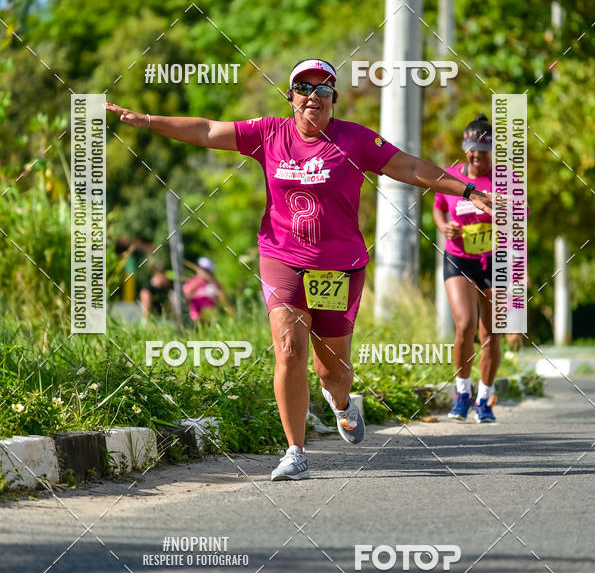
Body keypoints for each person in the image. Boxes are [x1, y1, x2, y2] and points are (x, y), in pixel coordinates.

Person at [107, 59, 493, 480]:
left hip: (339, 267)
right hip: (282, 258)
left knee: (333, 371)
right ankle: (294, 452)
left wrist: (468, 190)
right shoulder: (268, 133)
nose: (314, 96)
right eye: (304, 88)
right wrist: (146, 120)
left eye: (324, 89)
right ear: (290, 97)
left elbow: (411, 167)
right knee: (290, 349)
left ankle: (342, 404)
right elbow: (206, 130)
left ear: (334, 100)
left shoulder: (356, 139)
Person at [433, 114, 500, 423]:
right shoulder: (451, 176)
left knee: (491, 333)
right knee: (465, 325)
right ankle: (462, 393)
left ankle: (484, 399)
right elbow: (439, 208)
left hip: (493, 260)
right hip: (458, 257)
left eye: (483, 150)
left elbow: (521, 215)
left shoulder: (504, 179)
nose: (476, 155)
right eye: (471, 148)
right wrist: (445, 227)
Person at [184, 256, 225, 321]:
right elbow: (186, 297)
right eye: (201, 269)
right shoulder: (192, 282)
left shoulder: (214, 283)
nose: (203, 272)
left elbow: (223, 297)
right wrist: (198, 283)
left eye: (206, 270)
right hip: (196, 319)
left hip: (211, 318)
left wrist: (213, 283)